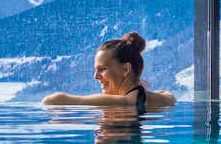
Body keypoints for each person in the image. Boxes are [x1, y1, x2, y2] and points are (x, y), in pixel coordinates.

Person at [42, 31, 176, 111]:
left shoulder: (123, 102)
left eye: (102, 69)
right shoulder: (161, 100)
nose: (95, 76)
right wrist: (137, 85)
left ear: (125, 69)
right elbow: (169, 95)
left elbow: (52, 100)